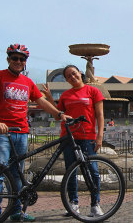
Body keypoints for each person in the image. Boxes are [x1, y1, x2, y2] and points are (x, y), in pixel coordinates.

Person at [0, 44, 69, 222]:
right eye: (14, 58)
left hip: (21, 132)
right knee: (0, 173)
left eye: (21, 59)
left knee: (17, 175)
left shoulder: (28, 82)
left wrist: (58, 114)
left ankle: (16, 212)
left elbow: (41, 101)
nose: (18, 61)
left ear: (25, 62)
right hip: (1, 132)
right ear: (8, 59)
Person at [42, 65, 105, 217]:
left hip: (87, 137)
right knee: (71, 171)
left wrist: (100, 136)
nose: (72, 77)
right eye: (69, 76)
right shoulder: (66, 95)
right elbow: (59, 115)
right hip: (68, 137)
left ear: (80, 73)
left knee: (93, 172)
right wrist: (50, 98)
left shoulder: (93, 91)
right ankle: (73, 204)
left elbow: (100, 115)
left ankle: (95, 204)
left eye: (74, 74)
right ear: (66, 80)